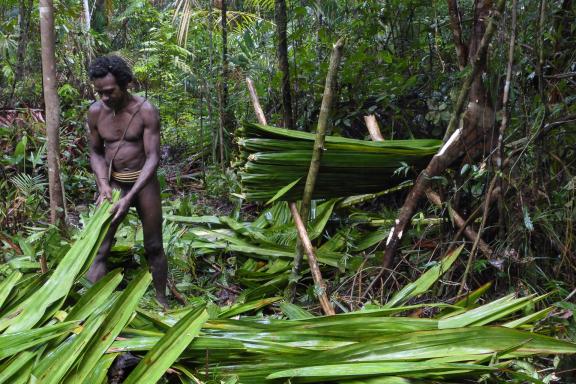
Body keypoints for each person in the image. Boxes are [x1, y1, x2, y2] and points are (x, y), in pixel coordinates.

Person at [86, 55, 168, 308]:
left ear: (125, 84)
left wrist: (130, 198)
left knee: (154, 245)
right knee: (100, 247)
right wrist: (103, 184)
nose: (104, 97)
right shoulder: (96, 112)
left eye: (109, 92)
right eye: (99, 92)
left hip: (144, 186)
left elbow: (153, 157)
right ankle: (91, 306)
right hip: (114, 184)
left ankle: (162, 301)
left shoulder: (146, 111)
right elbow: (96, 152)